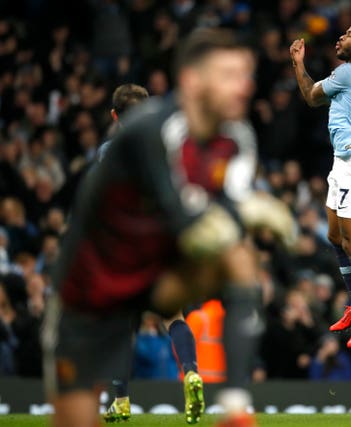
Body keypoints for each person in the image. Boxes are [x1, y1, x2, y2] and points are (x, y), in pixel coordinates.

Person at [42, 28, 294, 427]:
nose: (245, 86)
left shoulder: (238, 136)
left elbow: (221, 213)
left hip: (157, 268)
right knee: (74, 419)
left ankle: (235, 408)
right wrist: (244, 211)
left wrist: (240, 212)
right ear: (193, 82)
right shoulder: (148, 132)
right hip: (91, 285)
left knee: (239, 259)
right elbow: (180, 214)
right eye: (229, 75)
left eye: (246, 74)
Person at [97, 84, 204, 425]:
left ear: (115, 116)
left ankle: (121, 400)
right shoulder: (170, 145)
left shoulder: (109, 152)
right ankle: (190, 373)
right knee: (173, 317)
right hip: (164, 240)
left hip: (127, 244)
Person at [289, 23, 351, 348]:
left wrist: (299, 65)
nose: (341, 36)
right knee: (334, 237)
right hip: (343, 162)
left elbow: (311, 97)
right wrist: (299, 64)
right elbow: (311, 97)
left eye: (349, 34)